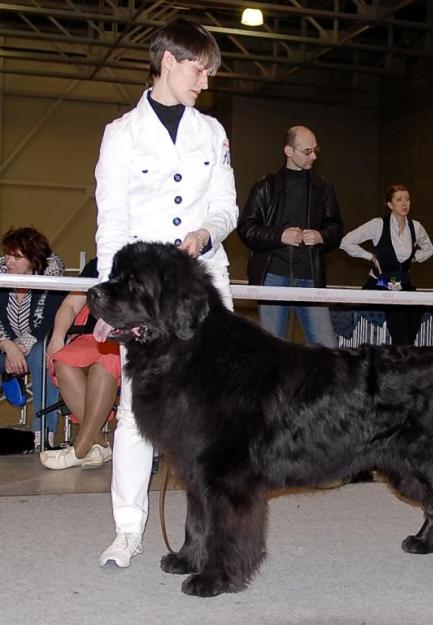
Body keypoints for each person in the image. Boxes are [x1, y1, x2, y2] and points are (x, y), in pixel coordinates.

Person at [94, 17, 238, 568]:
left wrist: (208, 232)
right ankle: (127, 530)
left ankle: (206, 534)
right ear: (170, 62)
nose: (205, 82)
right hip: (145, 299)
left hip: (204, 292)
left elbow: (227, 205)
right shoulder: (121, 134)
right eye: (200, 70)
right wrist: (111, 304)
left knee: (211, 413)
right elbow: (111, 224)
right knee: (137, 412)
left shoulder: (212, 133)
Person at [237, 125, 343, 347]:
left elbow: (336, 228)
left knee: (327, 349)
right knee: (271, 350)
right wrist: (280, 236)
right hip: (273, 277)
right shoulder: (264, 187)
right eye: (307, 151)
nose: (313, 156)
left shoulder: (323, 188)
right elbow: (246, 229)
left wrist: (321, 236)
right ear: (288, 151)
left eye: (316, 150)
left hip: (310, 277)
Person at [39, 258, 119, 470]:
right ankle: (99, 442)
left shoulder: (144, 261)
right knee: (63, 360)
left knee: (105, 364)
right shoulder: (96, 264)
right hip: (92, 337)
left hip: (127, 340)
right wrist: (57, 337)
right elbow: (70, 305)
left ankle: (80, 447)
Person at [340, 184, 433, 345]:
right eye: (399, 199)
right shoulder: (377, 225)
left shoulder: (416, 227)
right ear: (390, 205)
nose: (405, 203)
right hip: (381, 282)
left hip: (403, 283)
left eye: (407, 199)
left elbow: (429, 249)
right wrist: (370, 257)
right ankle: (402, 352)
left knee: (416, 310)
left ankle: (404, 350)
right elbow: (346, 242)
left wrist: (415, 257)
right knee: (395, 307)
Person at [0, 226, 65, 449]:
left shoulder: (52, 274)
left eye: (16, 257)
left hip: (39, 340)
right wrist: (8, 345)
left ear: (33, 260)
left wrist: (20, 348)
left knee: (42, 356)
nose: (8, 261)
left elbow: (47, 320)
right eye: (7, 254)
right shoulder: (0, 271)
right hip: (6, 344)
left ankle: (43, 434)